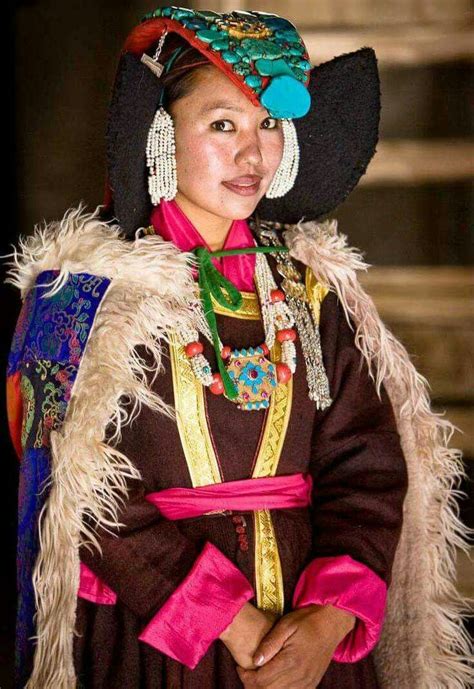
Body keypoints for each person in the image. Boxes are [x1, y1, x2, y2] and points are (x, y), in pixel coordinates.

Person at [6, 6, 472, 689]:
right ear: (161, 135)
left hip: (310, 651)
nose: (252, 155)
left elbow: (367, 466)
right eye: (222, 124)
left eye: (267, 127)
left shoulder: (311, 292)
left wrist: (325, 621)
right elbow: (76, 492)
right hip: (156, 646)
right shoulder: (84, 299)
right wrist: (233, 620)